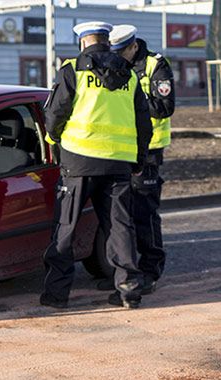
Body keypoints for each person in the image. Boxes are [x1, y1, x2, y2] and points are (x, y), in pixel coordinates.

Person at [41, 21, 153, 309]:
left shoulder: (73, 69)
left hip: (78, 161)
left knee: (66, 228)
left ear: (82, 42)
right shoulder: (129, 73)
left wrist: (54, 140)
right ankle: (129, 291)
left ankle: (56, 296)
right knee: (120, 228)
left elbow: (55, 114)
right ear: (107, 40)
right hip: (118, 163)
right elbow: (143, 122)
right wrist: (138, 159)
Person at [105, 25, 175, 294]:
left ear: (134, 46)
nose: (119, 56)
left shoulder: (154, 65)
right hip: (120, 149)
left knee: (145, 214)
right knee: (122, 214)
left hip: (149, 151)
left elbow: (165, 107)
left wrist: (134, 101)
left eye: (123, 50)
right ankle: (125, 271)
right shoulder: (114, 63)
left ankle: (151, 271)